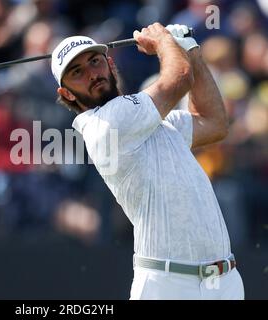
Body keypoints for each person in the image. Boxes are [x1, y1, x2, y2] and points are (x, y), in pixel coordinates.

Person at [50, 23, 245, 299]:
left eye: (95, 62)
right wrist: (164, 40)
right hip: (168, 284)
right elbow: (179, 78)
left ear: (109, 63)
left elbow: (213, 123)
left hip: (224, 281)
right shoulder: (105, 124)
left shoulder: (151, 121)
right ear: (66, 93)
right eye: (77, 72)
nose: (92, 74)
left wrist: (192, 52)